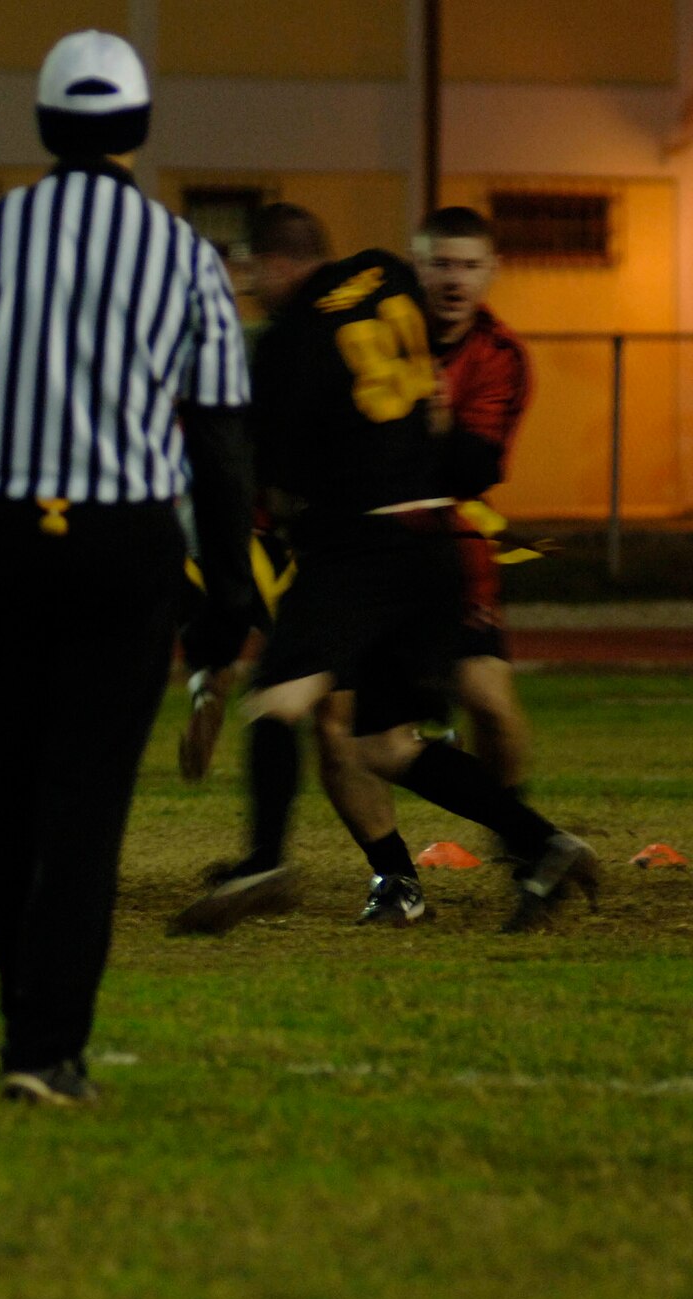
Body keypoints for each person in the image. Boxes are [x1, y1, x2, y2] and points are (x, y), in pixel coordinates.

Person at [0, 30, 259, 1104]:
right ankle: (48, 1047)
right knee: (86, 808)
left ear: (44, 125)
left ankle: (23, 1029)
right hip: (121, 545)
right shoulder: (184, 255)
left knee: (6, 798)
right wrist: (226, 596)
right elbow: (221, 443)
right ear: (135, 129)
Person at [169, 204, 594, 939]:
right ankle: (542, 841)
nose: (244, 287)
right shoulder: (387, 273)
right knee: (385, 743)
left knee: (278, 704)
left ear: (274, 264)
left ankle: (265, 861)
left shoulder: (283, 346)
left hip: (361, 545)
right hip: (436, 545)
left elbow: (270, 478)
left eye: (246, 269)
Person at [302, 206, 538, 907]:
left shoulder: (500, 355)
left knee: (489, 704)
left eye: (468, 265)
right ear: (416, 265)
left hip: (450, 562)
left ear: (491, 271)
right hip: (361, 558)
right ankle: (394, 875)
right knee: (335, 721)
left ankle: (522, 838)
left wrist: (427, 428)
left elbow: (476, 468)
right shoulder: (370, 331)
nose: (454, 279)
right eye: (440, 263)